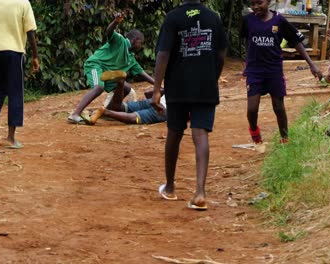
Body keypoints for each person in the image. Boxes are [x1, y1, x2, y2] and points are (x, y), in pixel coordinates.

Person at [151, 0, 227, 210]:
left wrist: (157, 89)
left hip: (178, 86)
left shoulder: (173, 17)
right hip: (205, 86)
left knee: (174, 133)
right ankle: (200, 192)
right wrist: (213, 77)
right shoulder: (214, 18)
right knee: (200, 133)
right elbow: (221, 55)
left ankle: (170, 187)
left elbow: (163, 54)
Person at [241, 0, 322, 144]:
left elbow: (295, 42)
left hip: (274, 70)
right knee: (252, 108)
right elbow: (248, 41)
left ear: (268, 2)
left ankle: (285, 138)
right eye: (253, 4)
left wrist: (312, 64)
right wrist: (247, 63)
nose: (256, 7)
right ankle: (254, 131)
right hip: (255, 70)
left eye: (259, 3)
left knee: (278, 106)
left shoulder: (279, 20)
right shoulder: (248, 20)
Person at [67, 13, 155, 124]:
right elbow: (109, 32)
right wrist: (115, 21)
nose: (141, 46)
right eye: (140, 43)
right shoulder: (120, 41)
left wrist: (157, 84)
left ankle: (107, 111)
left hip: (108, 74)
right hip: (95, 65)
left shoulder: (131, 59)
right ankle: (75, 114)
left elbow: (142, 74)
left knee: (126, 88)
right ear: (135, 39)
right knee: (99, 87)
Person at [0, 0, 40, 149]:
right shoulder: (23, 3)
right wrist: (35, 56)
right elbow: (30, 31)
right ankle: (11, 138)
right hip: (15, 53)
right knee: (15, 92)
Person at [86, 88, 166, 125]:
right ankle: (106, 112)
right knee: (133, 117)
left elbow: (148, 93)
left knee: (123, 107)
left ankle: (92, 112)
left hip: (156, 100)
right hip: (166, 109)